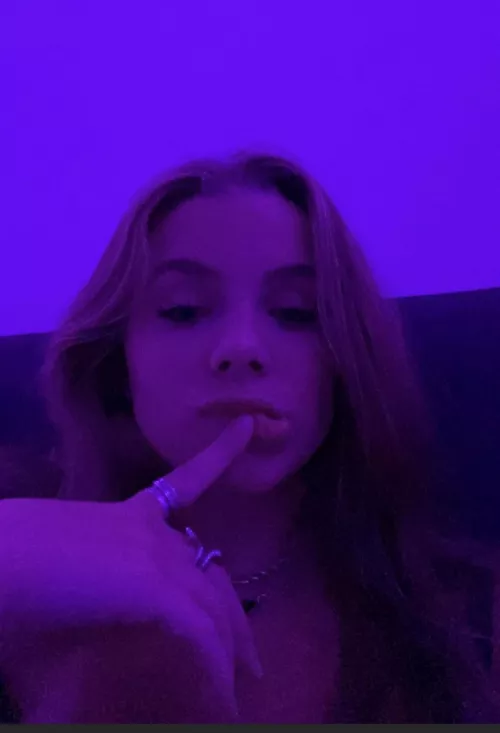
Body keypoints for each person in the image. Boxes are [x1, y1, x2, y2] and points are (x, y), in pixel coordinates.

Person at [0, 151, 498, 723]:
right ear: (117, 364)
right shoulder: (16, 519)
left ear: (345, 363)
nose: (241, 347)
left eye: (297, 312)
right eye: (184, 310)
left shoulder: (469, 613)